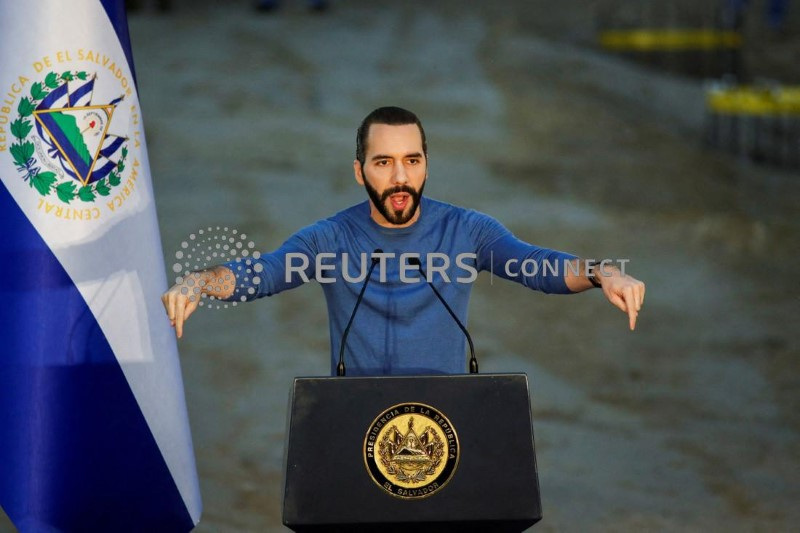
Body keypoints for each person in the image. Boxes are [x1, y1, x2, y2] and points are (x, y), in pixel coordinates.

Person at [162, 106, 645, 376]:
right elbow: (262, 273)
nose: (400, 177)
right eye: (383, 162)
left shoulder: (468, 230)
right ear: (359, 171)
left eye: (412, 161)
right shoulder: (330, 239)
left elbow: (538, 266)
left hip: (448, 427)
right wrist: (200, 281)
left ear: (427, 165)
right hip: (356, 427)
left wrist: (605, 271)